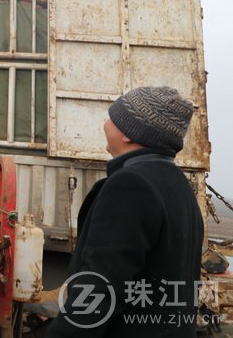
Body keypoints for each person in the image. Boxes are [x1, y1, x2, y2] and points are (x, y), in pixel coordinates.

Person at [47, 86, 203, 337]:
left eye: (113, 117)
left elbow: (100, 288)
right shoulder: (177, 184)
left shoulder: (131, 185)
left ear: (130, 132)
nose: (106, 123)